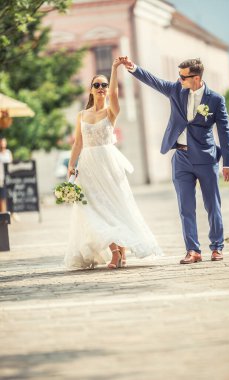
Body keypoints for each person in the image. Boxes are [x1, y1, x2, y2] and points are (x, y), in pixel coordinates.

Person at [121, 57, 229, 264]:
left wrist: (228, 163)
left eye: (183, 76)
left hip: (206, 158)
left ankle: (217, 247)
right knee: (185, 207)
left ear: (196, 78)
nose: (179, 79)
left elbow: (225, 132)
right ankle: (193, 250)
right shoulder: (176, 90)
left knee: (212, 205)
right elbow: (154, 81)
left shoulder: (216, 100)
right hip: (181, 158)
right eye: (178, 75)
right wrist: (133, 68)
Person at [64, 58, 162, 270]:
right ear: (90, 90)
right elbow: (78, 143)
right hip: (88, 166)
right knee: (95, 207)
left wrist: (115, 68)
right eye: (96, 85)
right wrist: (71, 165)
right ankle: (115, 251)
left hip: (108, 164)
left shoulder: (110, 111)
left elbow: (115, 95)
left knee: (114, 206)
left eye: (104, 85)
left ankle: (121, 251)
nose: (101, 88)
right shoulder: (81, 115)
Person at [0, 137, 12, 213]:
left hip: (8, 176)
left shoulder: (8, 152)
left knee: (8, 196)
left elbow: (11, 162)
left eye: (4, 142)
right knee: (2, 196)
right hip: (1, 177)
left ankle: (8, 213)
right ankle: (3, 214)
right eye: (2, 142)